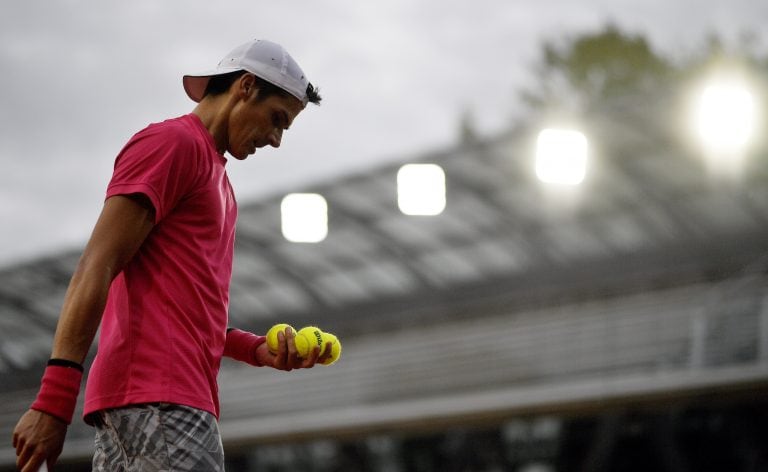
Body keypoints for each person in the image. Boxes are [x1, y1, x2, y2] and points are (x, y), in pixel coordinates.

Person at [12, 38, 325, 472]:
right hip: (165, 402)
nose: (275, 140)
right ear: (246, 87)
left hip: (154, 400)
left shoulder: (218, 182)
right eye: (277, 120)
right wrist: (54, 398)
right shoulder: (173, 143)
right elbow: (95, 266)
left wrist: (256, 350)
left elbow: (185, 310)